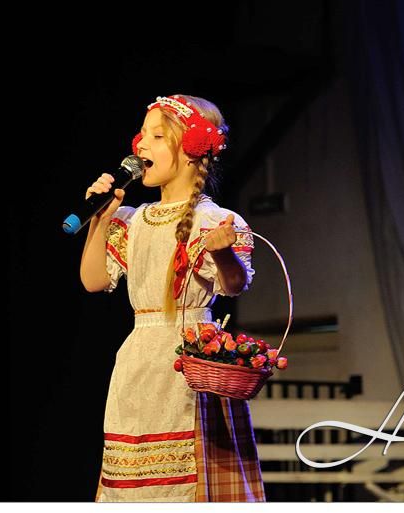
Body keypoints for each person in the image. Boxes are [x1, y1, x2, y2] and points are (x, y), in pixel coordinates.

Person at [79, 94, 266, 502]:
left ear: (191, 149)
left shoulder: (214, 220)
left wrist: (223, 253)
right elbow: (93, 281)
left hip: (191, 363)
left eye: (157, 136)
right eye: (141, 135)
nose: (140, 145)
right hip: (137, 361)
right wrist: (102, 218)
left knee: (188, 481)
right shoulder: (133, 220)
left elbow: (233, 285)